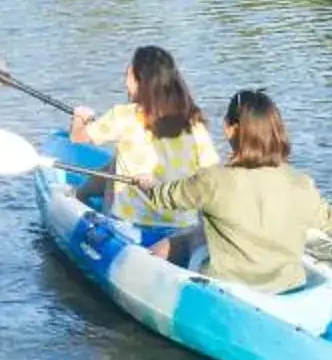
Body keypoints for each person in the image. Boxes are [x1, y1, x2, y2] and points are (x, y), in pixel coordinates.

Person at [138, 89, 332, 292]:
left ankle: (142, 273)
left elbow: (164, 198)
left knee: (193, 235)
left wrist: (149, 184)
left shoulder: (213, 179)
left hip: (228, 286)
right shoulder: (301, 183)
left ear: (229, 129)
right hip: (287, 286)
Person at [66, 45, 221, 235]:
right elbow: (211, 172)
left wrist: (79, 118)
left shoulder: (123, 115)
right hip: (182, 225)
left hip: (131, 223)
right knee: (118, 160)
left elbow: (77, 140)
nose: (125, 83)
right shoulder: (194, 121)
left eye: (128, 76)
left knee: (117, 162)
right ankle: (82, 193)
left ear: (142, 82)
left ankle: (80, 197)